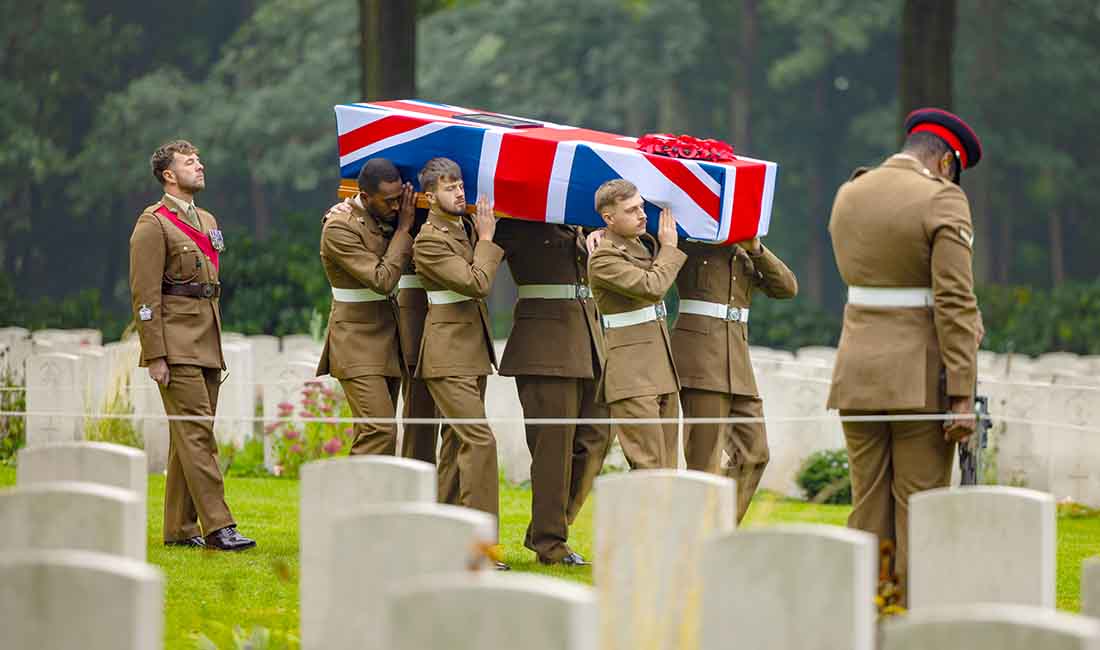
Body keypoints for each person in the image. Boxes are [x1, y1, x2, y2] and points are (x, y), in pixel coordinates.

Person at [827, 108, 984, 600]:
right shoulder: (943, 200)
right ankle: (908, 620)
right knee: (918, 506)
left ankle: (865, 613)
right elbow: (955, 303)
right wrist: (961, 394)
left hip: (856, 372)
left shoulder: (850, 193)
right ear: (943, 163)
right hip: (919, 380)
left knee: (867, 504)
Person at [129, 140, 255, 551]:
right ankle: (220, 526)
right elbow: (144, 295)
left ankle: (180, 529)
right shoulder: (153, 223)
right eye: (189, 162)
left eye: (199, 159)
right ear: (169, 175)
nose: (199, 166)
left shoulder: (206, 218)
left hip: (206, 340)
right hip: (177, 344)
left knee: (189, 436)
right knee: (198, 434)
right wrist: (156, 354)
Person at [411, 157, 509, 568]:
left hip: (471, 353)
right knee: (479, 441)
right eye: (450, 188)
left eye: (461, 186)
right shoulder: (429, 241)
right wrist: (486, 238)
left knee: (455, 448)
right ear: (429, 197)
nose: (460, 193)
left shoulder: (464, 228)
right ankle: (481, 546)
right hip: (447, 355)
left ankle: (444, 540)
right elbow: (478, 283)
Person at [496, 219, 610, 566]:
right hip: (544, 348)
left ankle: (548, 527)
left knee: (597, 437)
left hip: (589, 344)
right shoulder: (519, 224)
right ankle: (551, 543)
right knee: (553, 450)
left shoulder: (583, 224)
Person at [672, 237, 798, 522]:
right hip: (699, 360)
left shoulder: (748, 250)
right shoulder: (690, 240)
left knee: (755, 453)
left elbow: (787, 287)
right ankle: (696, 542)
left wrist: (756, 249)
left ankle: (715, 527)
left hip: (737, 363)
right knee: (704, 465)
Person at [316, 158, 415, 455]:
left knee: (380, 434)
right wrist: (404, 230)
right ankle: (347, 501)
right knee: (378, 429)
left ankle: (374, 502)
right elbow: (381, 280)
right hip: (356, 340)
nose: (397, 207)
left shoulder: (385, 215)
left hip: (388, 334)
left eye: (400, 199)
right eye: (389, 201)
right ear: (366, 196)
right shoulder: (339, 227)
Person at [588, 179, 686, 470]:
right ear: (609, 218)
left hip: (661, 371)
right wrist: (669, 248)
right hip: (632, 376)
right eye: (631, 210)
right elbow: (652, 286)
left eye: (642, 206)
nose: (643, 214)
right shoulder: (604, 258)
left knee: (667, 470)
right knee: (650, 469)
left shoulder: (643, 246)